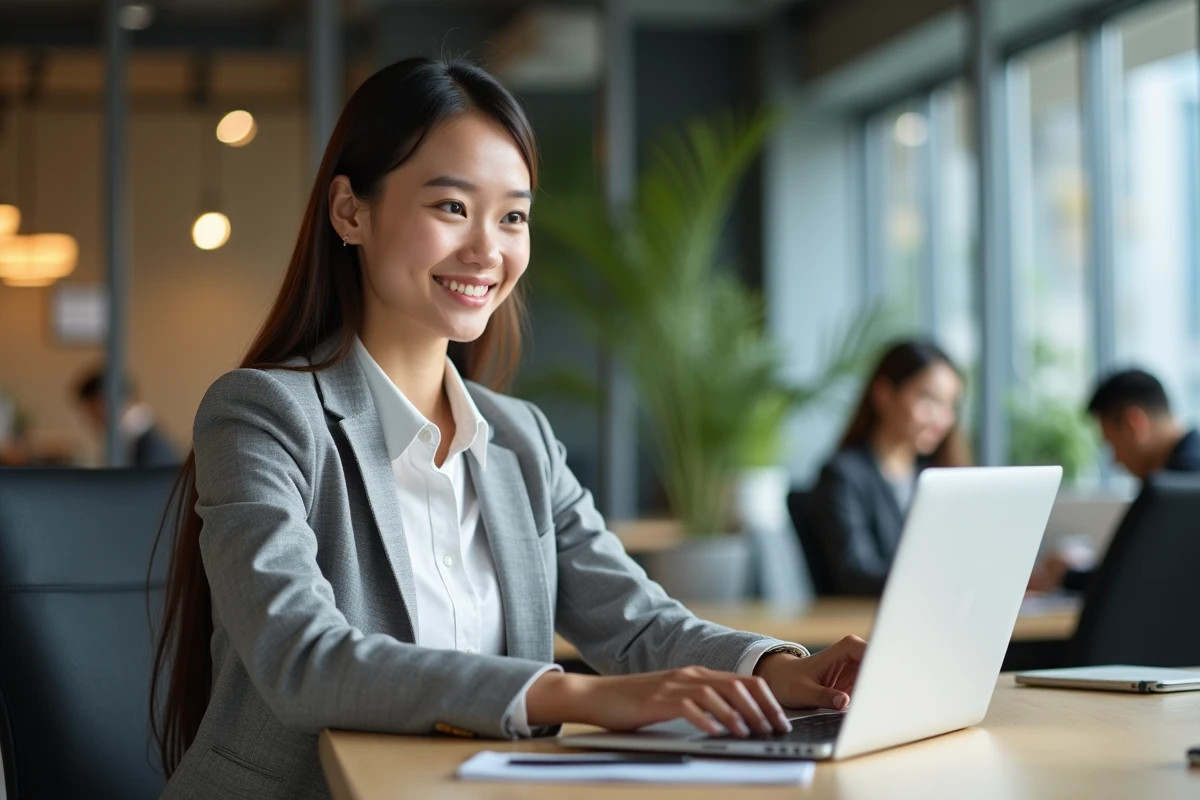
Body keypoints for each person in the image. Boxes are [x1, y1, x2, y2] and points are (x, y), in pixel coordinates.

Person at [151, 57, 865, 800]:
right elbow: (302, 659)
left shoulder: (519, 439)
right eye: (452, 208)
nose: (487, 250)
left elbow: (637, 624)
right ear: (350, 212)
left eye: (513, 216)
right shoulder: (263, 414)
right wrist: (577, 695)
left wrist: (781, 672)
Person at [806, 340, 969, 596]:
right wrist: (942, 583)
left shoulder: (936, 476)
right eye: (929, 400)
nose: (943, 419)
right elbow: (854, 574)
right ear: (884, 394)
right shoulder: (843, 475)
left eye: (950, 405)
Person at [1027, 368, 1200, 592]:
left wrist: (1066, 576)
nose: (1115, 460)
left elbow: (1143, 577)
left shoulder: (1179, 486)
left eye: (1112, 444)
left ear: (1133, 424)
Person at [74, 367, 180, 467]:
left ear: (102, 403)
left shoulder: (148, 446)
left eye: (91, 412)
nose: (90, 421)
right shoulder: (143, 436)